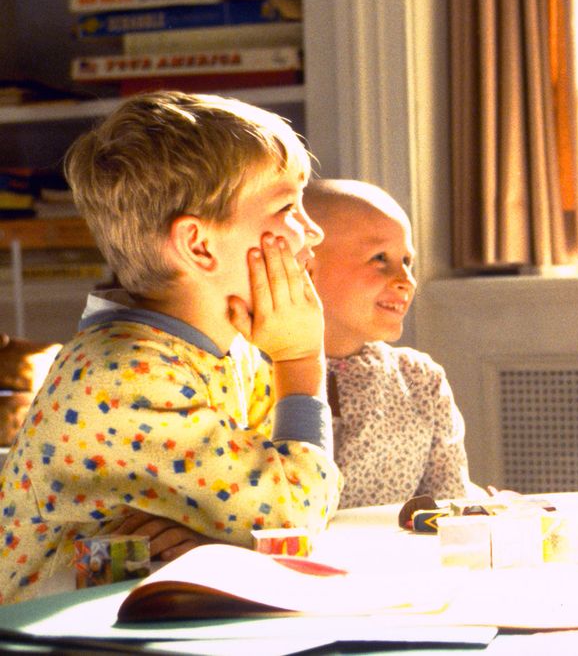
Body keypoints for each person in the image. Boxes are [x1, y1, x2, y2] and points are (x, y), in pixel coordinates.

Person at [0, 92, 339, 604]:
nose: (313, 231)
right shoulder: (123, 376)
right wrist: (300, 359)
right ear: (198, 246)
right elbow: (294, 516)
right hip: (42, 631)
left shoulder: (231, 351)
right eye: (287, 207)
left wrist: (220, 538)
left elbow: (272, 512)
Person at [302, 179, 487, 508]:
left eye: (407, 262)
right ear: (306, 268)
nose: (406, 281)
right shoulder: (249, 373)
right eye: (379, 258)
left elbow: (449, 504)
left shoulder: (421, 380)